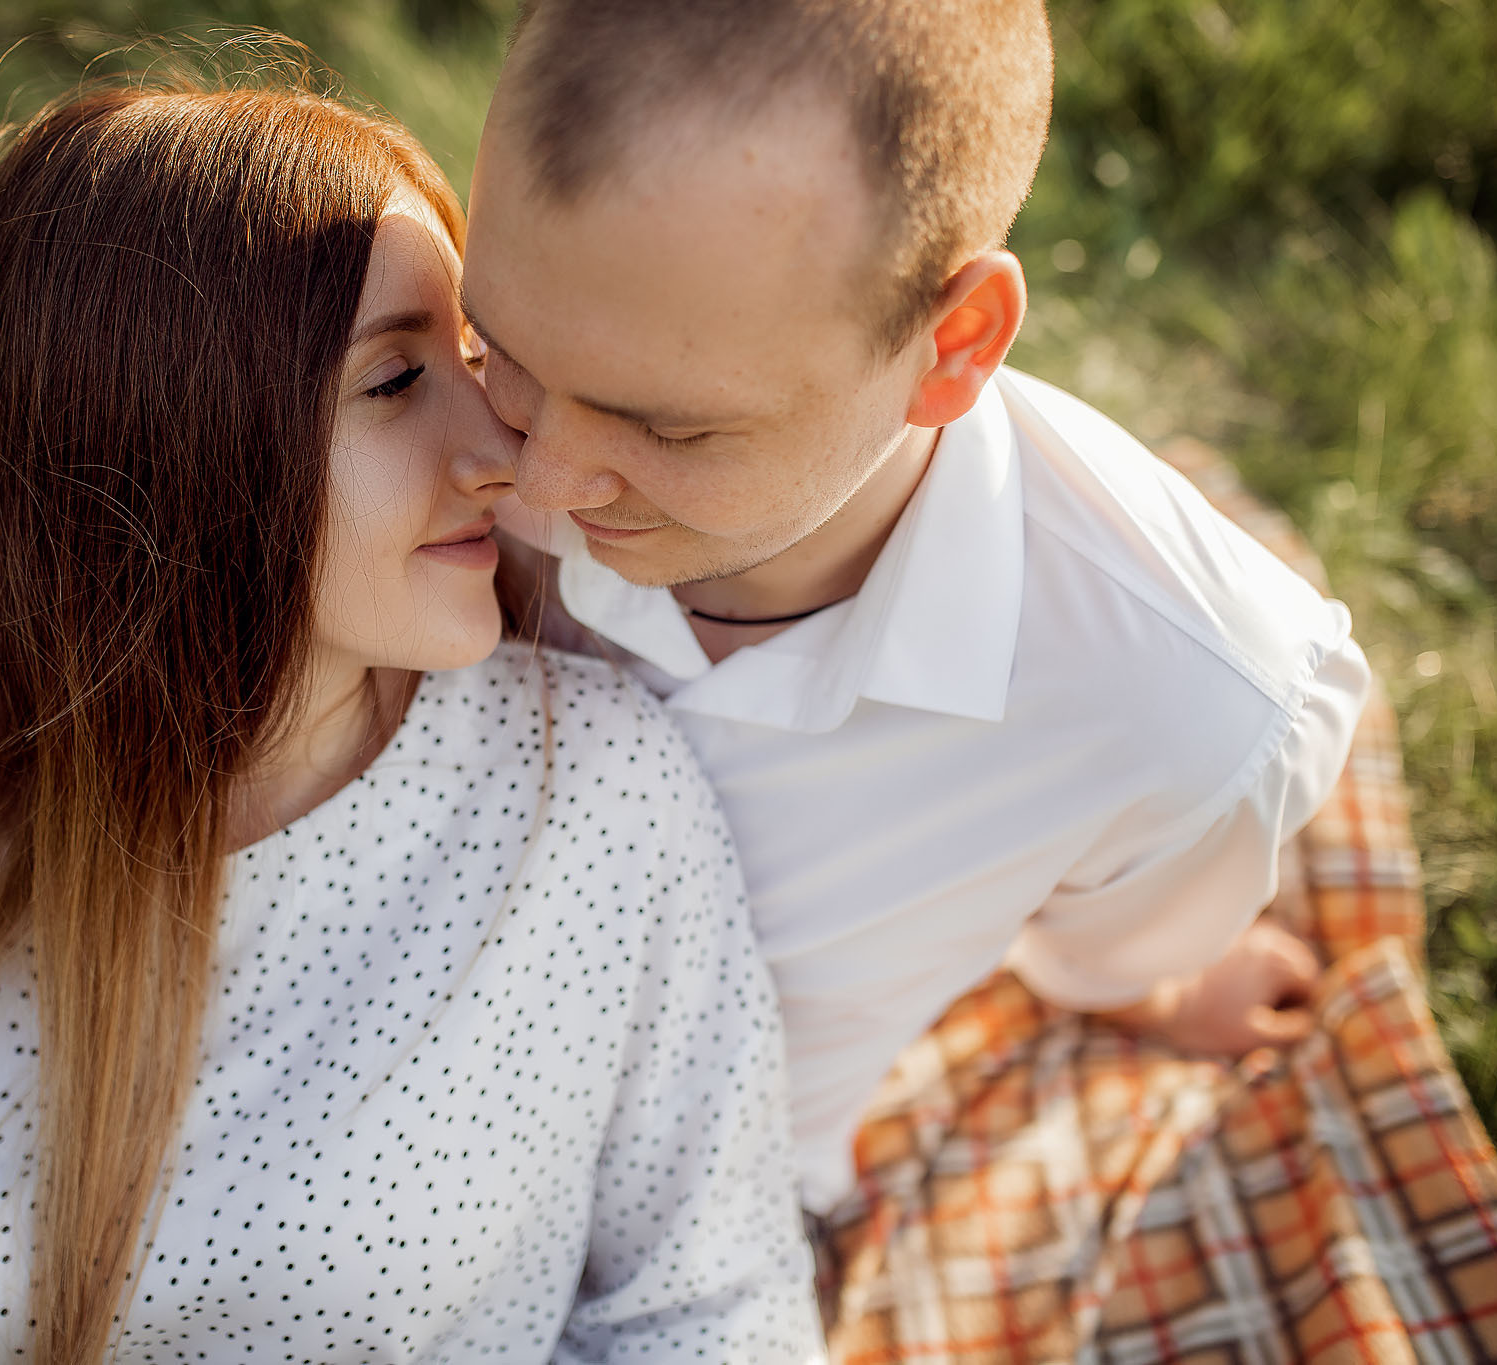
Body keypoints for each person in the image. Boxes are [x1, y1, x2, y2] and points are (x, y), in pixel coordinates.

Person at [0, 74, 825, 1363]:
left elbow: (709, 1308)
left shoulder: (591, 799)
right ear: (166, 448)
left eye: (475, 360)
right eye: (395, 381)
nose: (503, 453)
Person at [460, 0, 1371, 1217]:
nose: (537, 483)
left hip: (700, 1199)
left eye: (668, 430)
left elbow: (1128, 924)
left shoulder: (1187, 701)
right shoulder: (408, 415)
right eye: (503, 353)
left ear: (952, 348)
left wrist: (1146, 985)